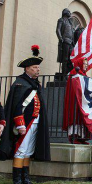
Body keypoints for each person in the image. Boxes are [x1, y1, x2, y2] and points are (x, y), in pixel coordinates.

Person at [0, 45, 50, 184]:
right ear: (27, 69)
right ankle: (17, 179)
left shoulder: (34, 84)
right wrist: (20, 124)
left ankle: (25, 178)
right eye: (35, 67)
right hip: (25, 123)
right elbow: (16, 107)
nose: (37, 70)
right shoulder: (20, 84)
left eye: (38, 68)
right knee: (20, 150)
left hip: (35, 121)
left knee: (28, 150)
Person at [62, 57, 91, 144]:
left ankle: (82, 138)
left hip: (83, 100)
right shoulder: (75, 72)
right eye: (84, 64)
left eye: (86, 64)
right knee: (76, 118)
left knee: (82, 119)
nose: (86, 66)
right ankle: (74, 137)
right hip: (75, 100)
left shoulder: (84, 74)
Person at [56, 8, 75, 75]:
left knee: (72, 58)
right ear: (65, 12)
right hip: (65, 41)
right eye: (68, 12)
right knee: (65, 58)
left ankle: (69, 73)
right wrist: (60, 38)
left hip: (71, 42)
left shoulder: (70, 22)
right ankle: (64, 75)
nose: (70, 13)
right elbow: (58, 30)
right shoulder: (61, 20)